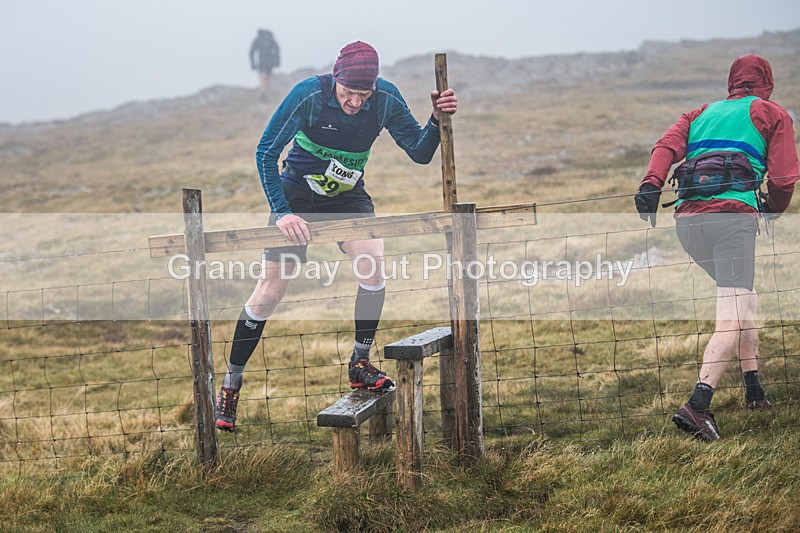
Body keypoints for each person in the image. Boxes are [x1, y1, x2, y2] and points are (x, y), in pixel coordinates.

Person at [215, 41, 458, 432]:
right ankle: (231, 383)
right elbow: (265, 152)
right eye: (348, 94)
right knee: (271, 289)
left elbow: (419, 151)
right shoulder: (309, 95)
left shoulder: (385, 99)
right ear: (335, 80)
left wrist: (434, 120)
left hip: (347, 196)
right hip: (295, 193)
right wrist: (282, 212)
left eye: (364, 96)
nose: (355, 104)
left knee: (374, 264)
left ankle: (360, 363)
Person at [635, 54, 799, 441]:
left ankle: (754, 390)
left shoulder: (699, 113)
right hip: (732, 222)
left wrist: (651, 185)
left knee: (746, 299)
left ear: (731, 83)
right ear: (767, 83)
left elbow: (665, 147)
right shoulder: (771, 114)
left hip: (689, 224)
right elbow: (784, 178)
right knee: (731, 311)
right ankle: (697, 406)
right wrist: (771, 210)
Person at [250, 29, 280, 102]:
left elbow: (251, 52)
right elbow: (277, 49)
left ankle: (263, 93)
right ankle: (265, 92)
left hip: (262, 61)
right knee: (267, 77)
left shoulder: (257, 40)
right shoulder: (271, 39)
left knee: (262, 77)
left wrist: (253, 63)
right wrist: (277, 60)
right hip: (270, 61)